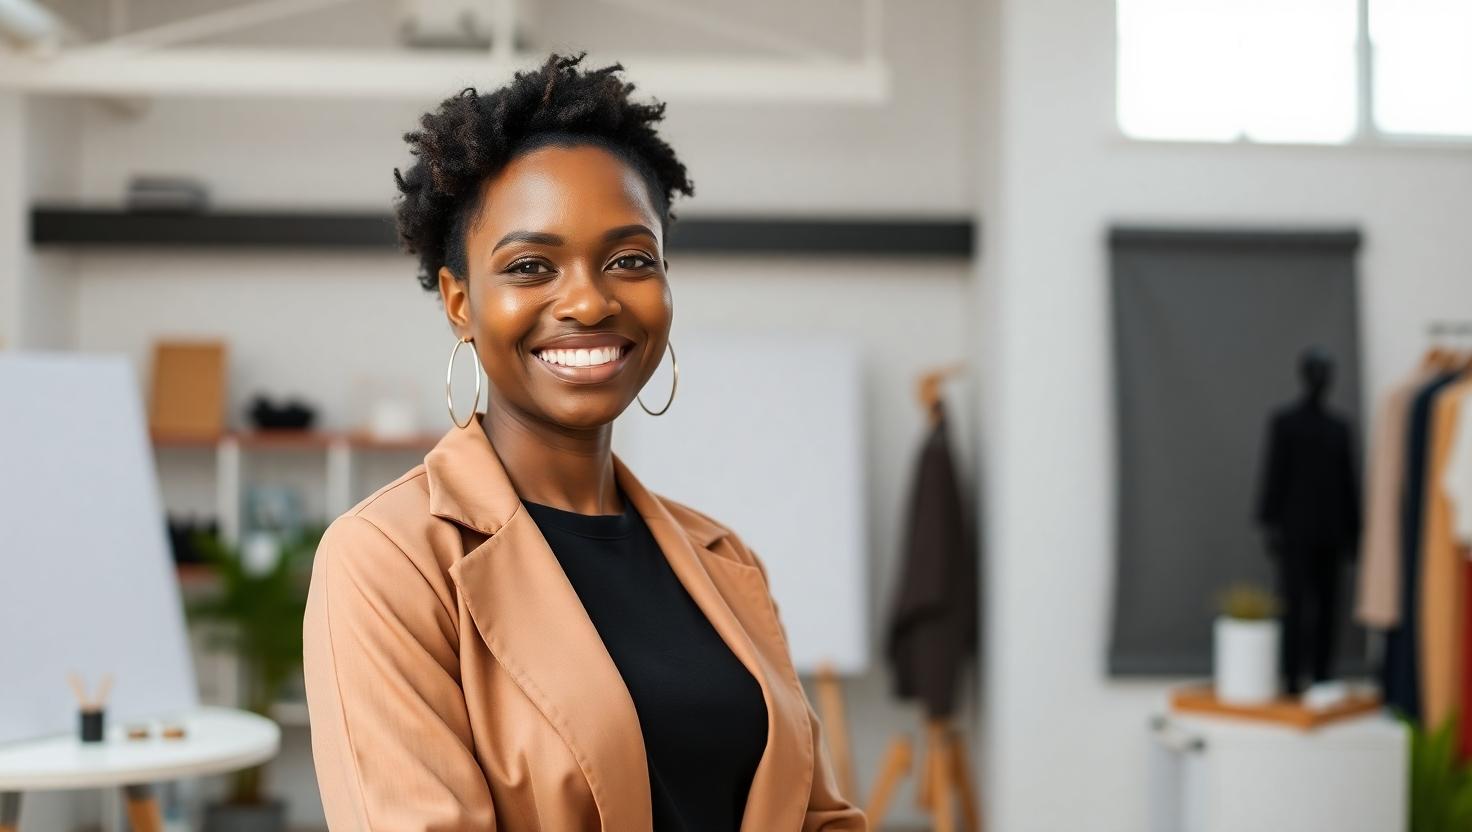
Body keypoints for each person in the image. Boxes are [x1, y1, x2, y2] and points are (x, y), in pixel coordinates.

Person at [301, 51, 866, 832]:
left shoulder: (723, 558)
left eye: (630, 260)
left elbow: (815, 815)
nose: (590, 301)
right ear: (461, 303)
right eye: (531, 266)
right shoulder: (386, 562)